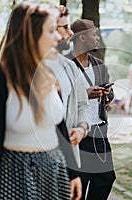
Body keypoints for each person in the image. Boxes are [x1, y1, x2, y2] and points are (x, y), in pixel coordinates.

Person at [0, 3, 80, 199]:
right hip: (16, 177)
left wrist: (73, 173)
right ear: (31, 35)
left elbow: (58, 127)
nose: (59, 37)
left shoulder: (48, 75)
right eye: (51, 31)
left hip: (54, 174)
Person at [66, 19, 116, 200]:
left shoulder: (99, 65)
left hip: (99, 132)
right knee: (78, 183)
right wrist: (85, 94)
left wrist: (108, 94)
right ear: (81, 38)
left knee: (106, 178)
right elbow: (56, 98)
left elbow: (109, 96)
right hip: (76, 133)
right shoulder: (64, 64)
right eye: (93, 34)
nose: (97, 38)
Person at [45, 5, 91, 168]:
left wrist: (82, 129)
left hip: (66, 158)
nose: (70, 33)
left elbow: (83, 105)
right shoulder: (25, 70)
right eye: (64, 27)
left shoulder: (70, 67)